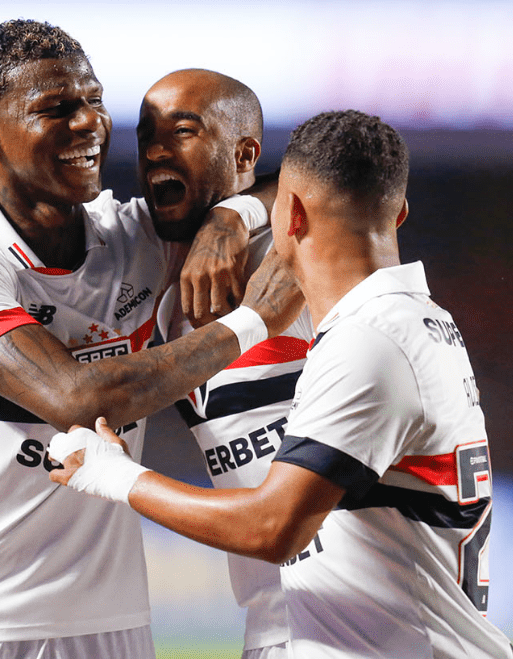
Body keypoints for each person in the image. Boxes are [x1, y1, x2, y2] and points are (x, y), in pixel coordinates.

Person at [0, 20, 300, 659]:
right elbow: (76, 399)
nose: (88, 125)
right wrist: (249, 323)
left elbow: (322, 181)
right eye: (54, 109)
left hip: (116, 627)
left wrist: (231, 217)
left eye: (94, 101)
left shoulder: (133, 239)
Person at [49, 110, 513, 659]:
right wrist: (235, 210)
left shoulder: (368, 341)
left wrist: (114, 476)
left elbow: (273, 527)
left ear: (289, 215)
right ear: (400, 214)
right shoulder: (413, 320)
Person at [138, 68, 314, 659]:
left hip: (370, 625)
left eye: (183, 131)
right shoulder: (159, 281)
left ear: (245, 152)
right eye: (145, 136)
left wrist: (237, 215)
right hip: (273, 628)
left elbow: (362, 166)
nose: (157, 150)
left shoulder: (308, 250)